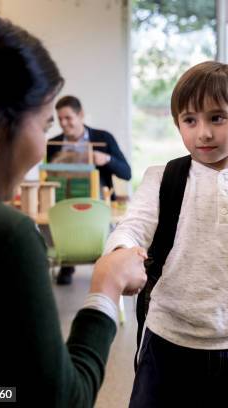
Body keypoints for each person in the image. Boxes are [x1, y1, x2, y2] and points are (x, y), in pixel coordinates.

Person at [0, 11, 147, 407]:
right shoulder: (3, 235)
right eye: (46, 121)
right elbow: (58, 400)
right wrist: (105, 289)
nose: (47, 138)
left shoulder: (102, 140)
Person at [104, 61, 228, 408]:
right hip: (167, 339)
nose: (203, 132)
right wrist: (121, 251)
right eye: (190, 120)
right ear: (178, 124)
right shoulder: (163, 178)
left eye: (217, 118)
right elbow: (133, 226)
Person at [47, 95, 132, 285]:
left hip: (98, 206)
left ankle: (102, 264)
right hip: (64, 205)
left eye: (68, 118)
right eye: (60, 119)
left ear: (81, 115)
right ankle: (66, 261)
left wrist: (106, 159)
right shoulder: (53, 145)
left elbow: (127, 173)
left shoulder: (103, 139)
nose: (64, 123)